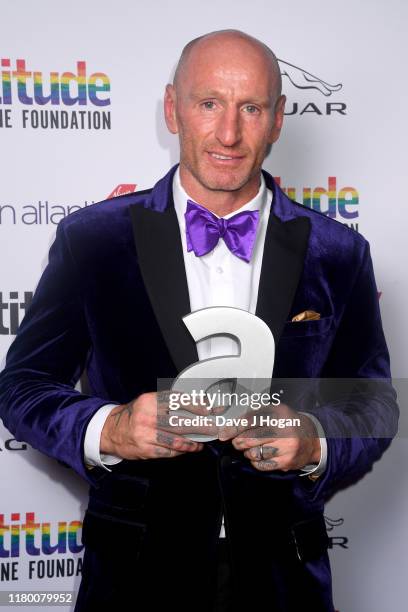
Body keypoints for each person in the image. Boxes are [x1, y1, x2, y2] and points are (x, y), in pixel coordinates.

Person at [0, 30, 398, 612]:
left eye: (251, 108)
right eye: (209, 103)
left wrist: (315, 439)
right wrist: (110, 429)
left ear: (279, 119)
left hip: (285, 575)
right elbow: (22, 385)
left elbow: (376, 402)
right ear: (172, 109)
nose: (230, 134)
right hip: (134, 574)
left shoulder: (338, 251)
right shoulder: (93, 240)